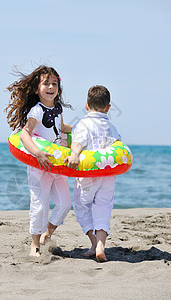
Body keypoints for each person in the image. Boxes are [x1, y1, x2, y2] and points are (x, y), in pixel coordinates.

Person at [6, 65, 73, 257]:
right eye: (46, 83)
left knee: (65, 203)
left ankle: (47, 233)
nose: (51, 87)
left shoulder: (58, 108)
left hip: (56, 165)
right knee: (40, 205)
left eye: (54, 83)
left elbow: (60, 129)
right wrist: (37, 153)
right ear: (36, 89)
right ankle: (34, 245)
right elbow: (25, 134)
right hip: (39, 165)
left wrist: (77, 134)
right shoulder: (36, 111)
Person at [65, 85, 121, 262]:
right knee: (104, 207)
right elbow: (118, 150)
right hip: (107, 176)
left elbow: (78, 143)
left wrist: (74, 154)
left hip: (88, 175)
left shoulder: (83, 124)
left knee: (82, 207)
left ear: (86, 106)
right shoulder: (112, 127)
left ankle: (94, 242)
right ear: (108, 107)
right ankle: (101, 246)